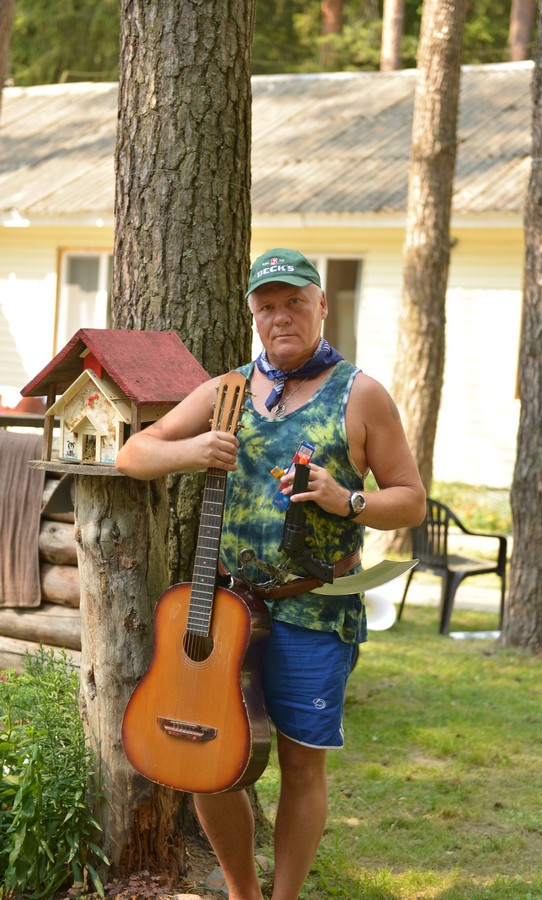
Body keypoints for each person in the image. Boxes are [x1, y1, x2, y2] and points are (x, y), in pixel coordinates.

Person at [115, 248, 426, 900]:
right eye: (267, 307)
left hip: (316, 608)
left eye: (294, 302)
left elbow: (411, 500)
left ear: (321, 305)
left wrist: (348, 500)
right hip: (227, 610)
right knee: (207, 760)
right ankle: (242, 893)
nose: (280, 316)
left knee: (300, 767)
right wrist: (192, 449)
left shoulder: (360, 394)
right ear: (254, 317)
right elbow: (132, 455)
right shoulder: (227, 391)